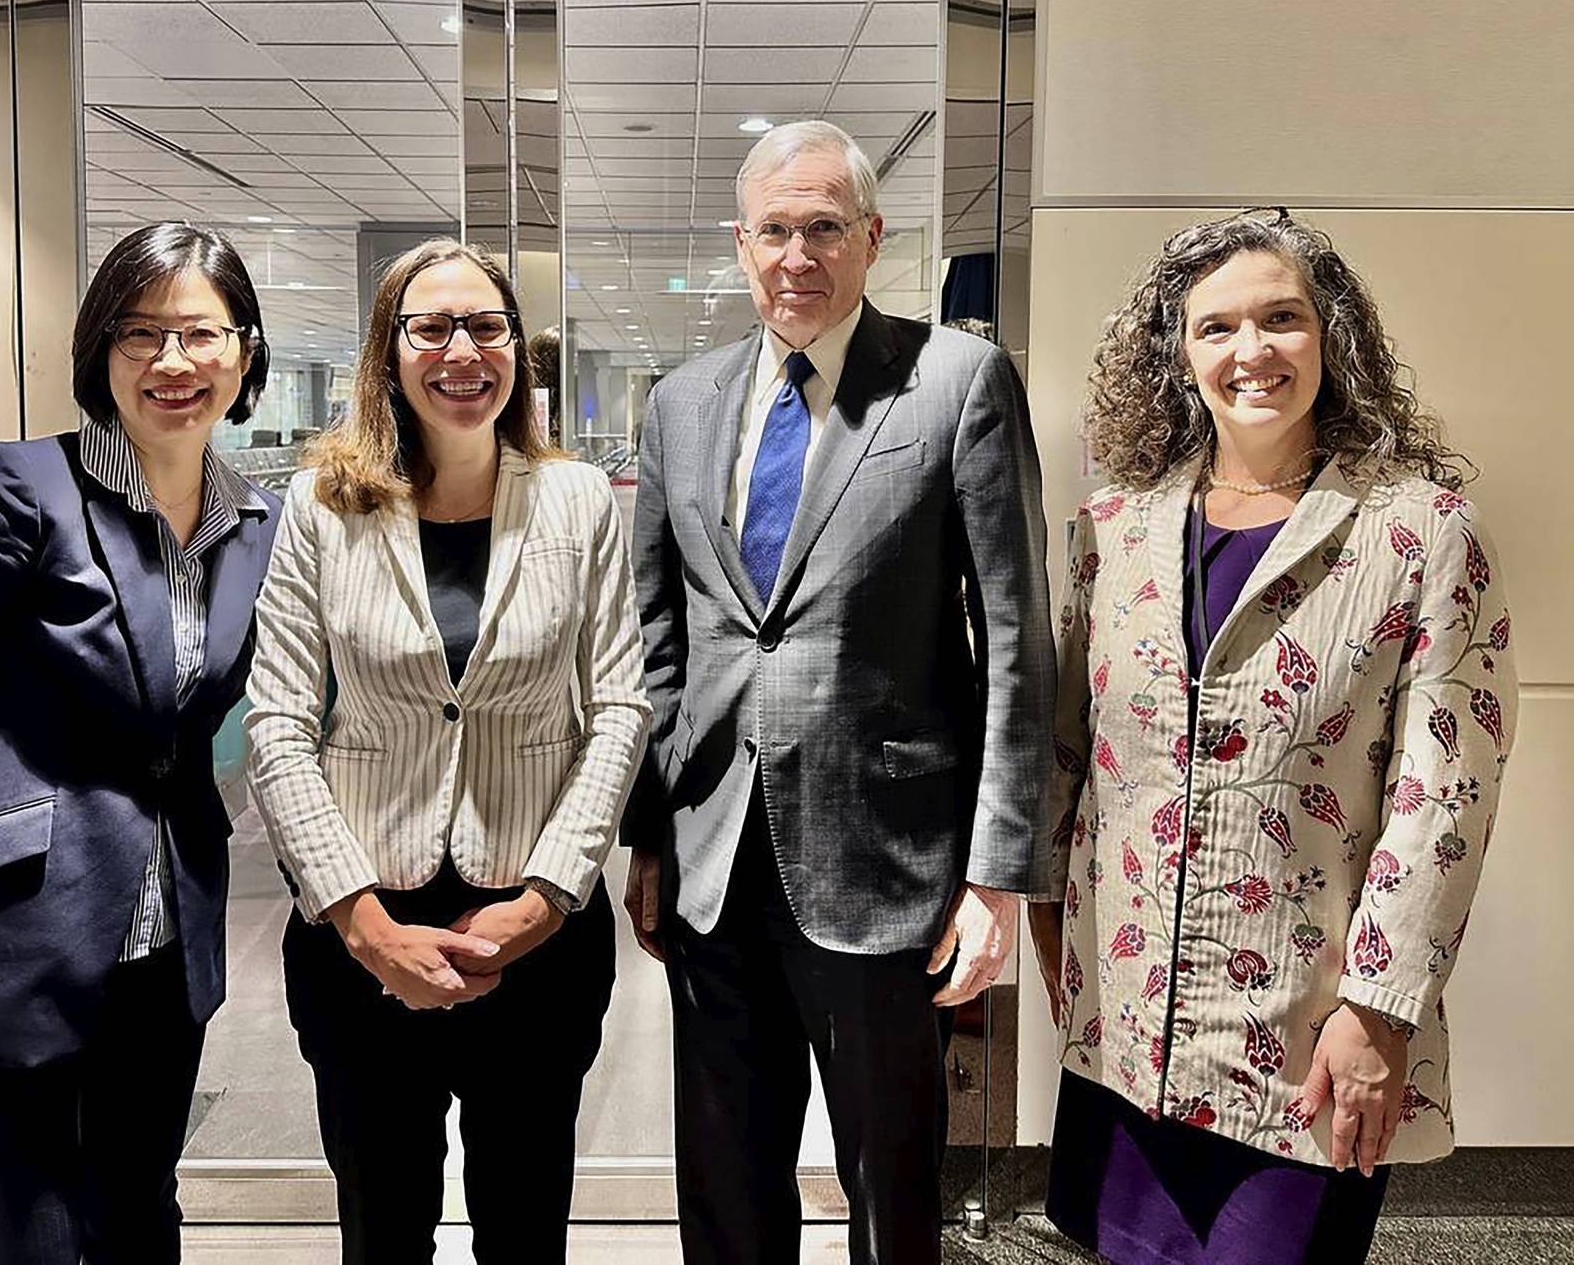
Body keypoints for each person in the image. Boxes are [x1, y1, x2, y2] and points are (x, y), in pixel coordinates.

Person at [1028, 209, 1518, 1265]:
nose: (1248, 353)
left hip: (1304, 1038)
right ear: (1175, 352)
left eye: (1279, 320)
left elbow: (1444, 798)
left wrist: (1378, 1012)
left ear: (1329, 334)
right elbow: (1069, 762)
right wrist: (1048, 939)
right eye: (1215, 329)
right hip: (1125, 1026)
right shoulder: (1114, 530)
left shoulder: (1417, 530)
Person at [621, 119, 1057, 1265]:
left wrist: (994, 874)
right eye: (774, 230)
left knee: (887, 1186)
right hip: (713, 859)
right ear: (739, 244)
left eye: (823, 228)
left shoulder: (955, 381)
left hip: (886, 860)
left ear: (870, 238)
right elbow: (657, 640)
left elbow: (1013, 641)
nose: (796, 255)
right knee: (720, 1181)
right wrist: (650, 838)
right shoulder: (679, 403)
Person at [0, 222, 281, 1263]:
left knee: (141, 1211)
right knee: (29, 1233)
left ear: (245, 352)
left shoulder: (255, 522)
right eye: (139, 334)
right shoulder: (16, 488)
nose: (171, 363)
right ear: (99, 350)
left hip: (162, 937)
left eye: (199, 335)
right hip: (2, 930)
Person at [244, 239, 649, 1264]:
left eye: (486, 326)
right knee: (384, 1231)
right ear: (389, 354)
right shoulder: (321, 509)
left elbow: (618, 710)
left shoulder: (575, 502)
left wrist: (547, 895)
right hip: (360, 930)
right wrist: (362, 922)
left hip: (536, 932)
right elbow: (279, 723)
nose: (462, 351)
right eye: (431, 328)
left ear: (516, 350)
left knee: (523, 1227)